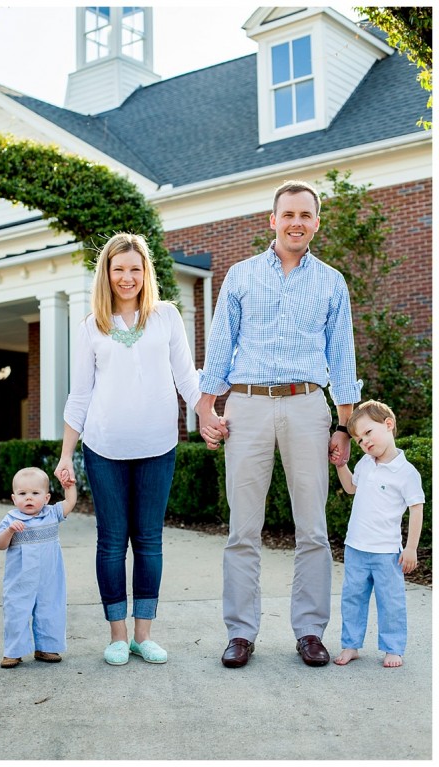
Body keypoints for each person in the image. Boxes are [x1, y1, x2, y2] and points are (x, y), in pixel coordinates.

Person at [196, 179, 360, 669]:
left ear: (316, 222)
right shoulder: (241, 276)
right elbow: (220, 347)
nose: (296, 223)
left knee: (312, 528)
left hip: (308, 406)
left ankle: (310, 631)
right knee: (242, 528)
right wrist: (207, 408)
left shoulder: (331, 281)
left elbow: (343, 357)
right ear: (273, 220)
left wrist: (344, 426)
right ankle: (241, 633)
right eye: (287, 214)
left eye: (305, 215)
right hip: (246, 406)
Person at [55, 232, 203, 666]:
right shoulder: (91, 327)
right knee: (111, 542)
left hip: (158, 446)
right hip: (104, 449)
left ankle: (144, 634)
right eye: (118, 269)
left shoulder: (167, 317)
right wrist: (67, 454)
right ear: (106, 273)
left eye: (135, 269)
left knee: (150, 541)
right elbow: (79, 395)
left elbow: (187, 378)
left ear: (146, 273)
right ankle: (118, 635)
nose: (127, 277)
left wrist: (208, 417)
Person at [331, 400, 424, 668]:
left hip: (386, 552)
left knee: (391, 602)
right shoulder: (364, 463)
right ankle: (351, 645)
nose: (364, 442)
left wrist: (411, 548)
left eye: (368, 433)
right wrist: (341, 465)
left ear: (388, 424)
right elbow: (351, 488)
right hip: (356, 548)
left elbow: (416, 511)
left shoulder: (407, 473)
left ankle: (393, 648)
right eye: (359, 440)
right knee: (352, 599)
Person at [0, 467, 77, 669]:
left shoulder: (52, 514)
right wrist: (9, 531)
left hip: (49, 576)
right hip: (20, 578)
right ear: (14, 499)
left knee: (50, 608)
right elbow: (0, 544)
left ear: (47, 497)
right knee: (17, 610)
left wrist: (69, 487)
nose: (28, 498)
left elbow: (70, 503)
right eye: (22, 494)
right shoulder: (11, 519)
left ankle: (46, 647)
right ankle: (13, 652)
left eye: (35, 493)